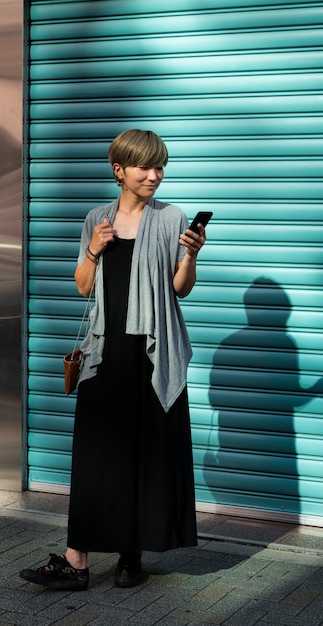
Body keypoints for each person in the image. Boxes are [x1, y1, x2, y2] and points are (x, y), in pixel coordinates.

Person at [20, 129, 207, 591]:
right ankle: (75, 560)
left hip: (151, 352)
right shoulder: (96, 219)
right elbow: (84, 286)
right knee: (95, 456)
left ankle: (131, 557)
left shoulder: (171, 218)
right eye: (145, 166)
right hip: (105, 354)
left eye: (160, 166)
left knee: (145, 454)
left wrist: (191, 255)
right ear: (119, 170)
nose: (154, 175)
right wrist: (94, 249)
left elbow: (180, 289)